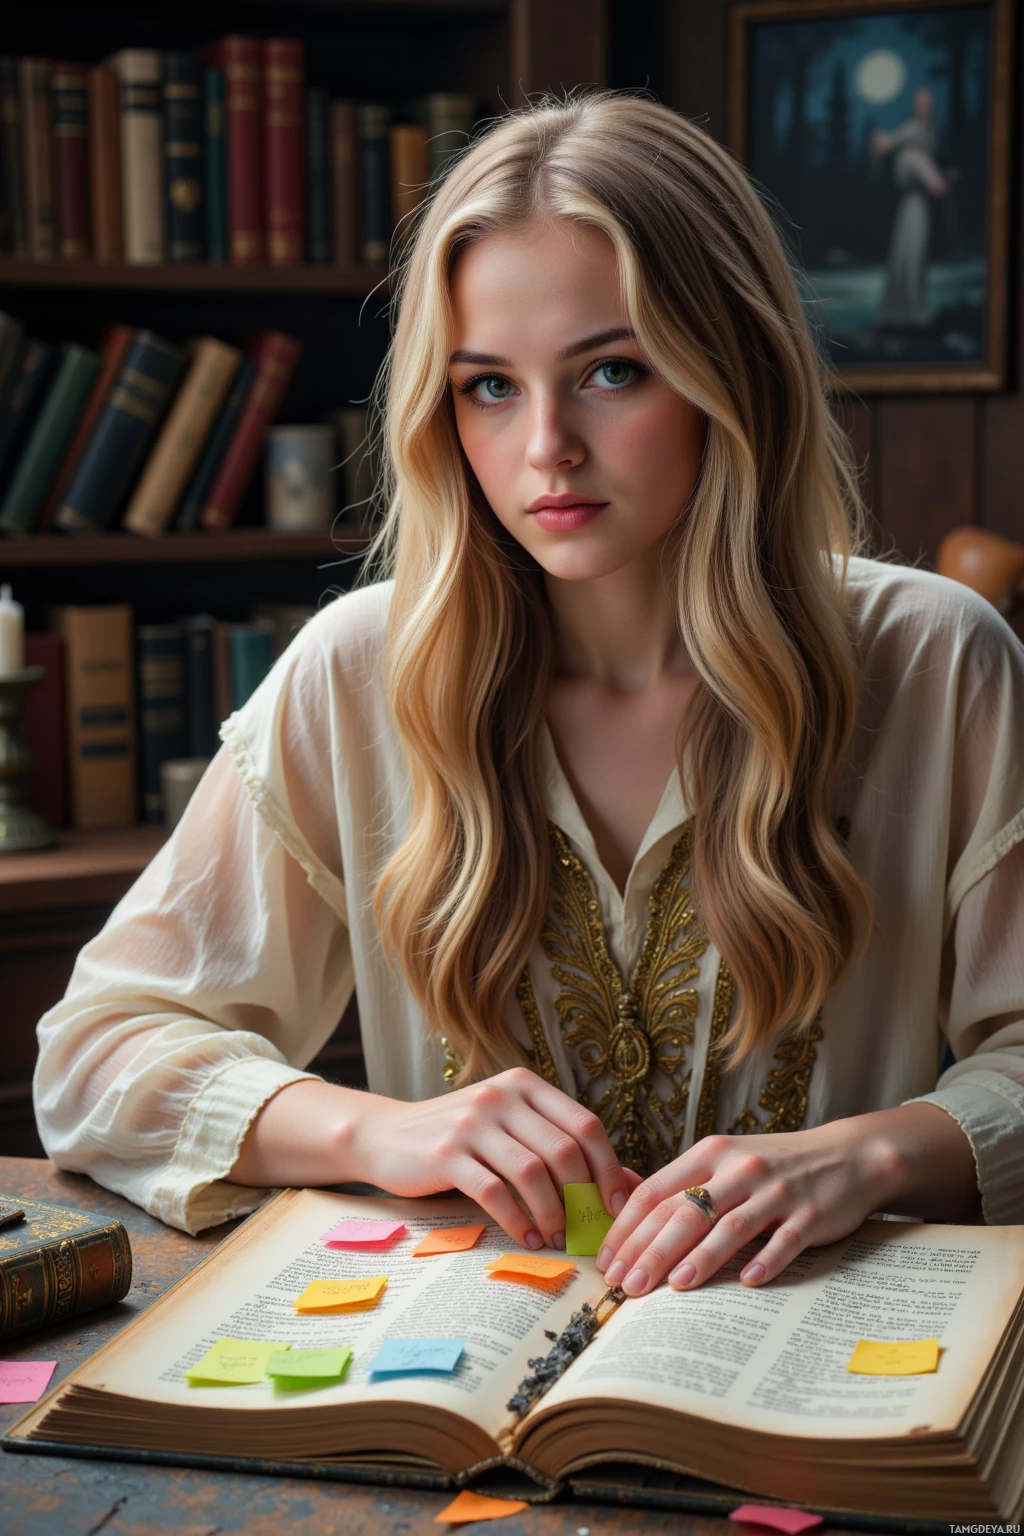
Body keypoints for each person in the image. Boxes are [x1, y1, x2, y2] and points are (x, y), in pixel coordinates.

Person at [34, 91, 1024, 1304]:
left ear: (734, 372)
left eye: (612, 370)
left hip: (813, 1369)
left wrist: (861, 1159)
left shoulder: (932, 659)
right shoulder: (358, 670)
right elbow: (92, 1057)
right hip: (465, 1378)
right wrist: (379, 1133)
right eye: (489, 387)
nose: (546, 444)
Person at [870, 88, 951, 329]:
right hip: (913, 203)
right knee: (908, 252)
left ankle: (911, 309)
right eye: (921, 102)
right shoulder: (912, 130)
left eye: (928, 102)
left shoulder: (928, 131)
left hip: (919, 203)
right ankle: (904, 311)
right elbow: (888, 144)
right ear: (916, 105)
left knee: (914, 253)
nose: (924, 106)